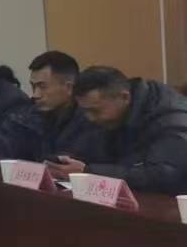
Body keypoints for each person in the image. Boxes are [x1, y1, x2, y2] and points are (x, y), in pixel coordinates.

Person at [51, 67, 187, 192]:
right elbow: (87, 150)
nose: (89, 118)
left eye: (95, 111)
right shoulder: (106, 115)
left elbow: (164, 175)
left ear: (124, 97)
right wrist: (63, 161)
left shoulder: (171, 119)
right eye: (84, 110)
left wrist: (89, 171)